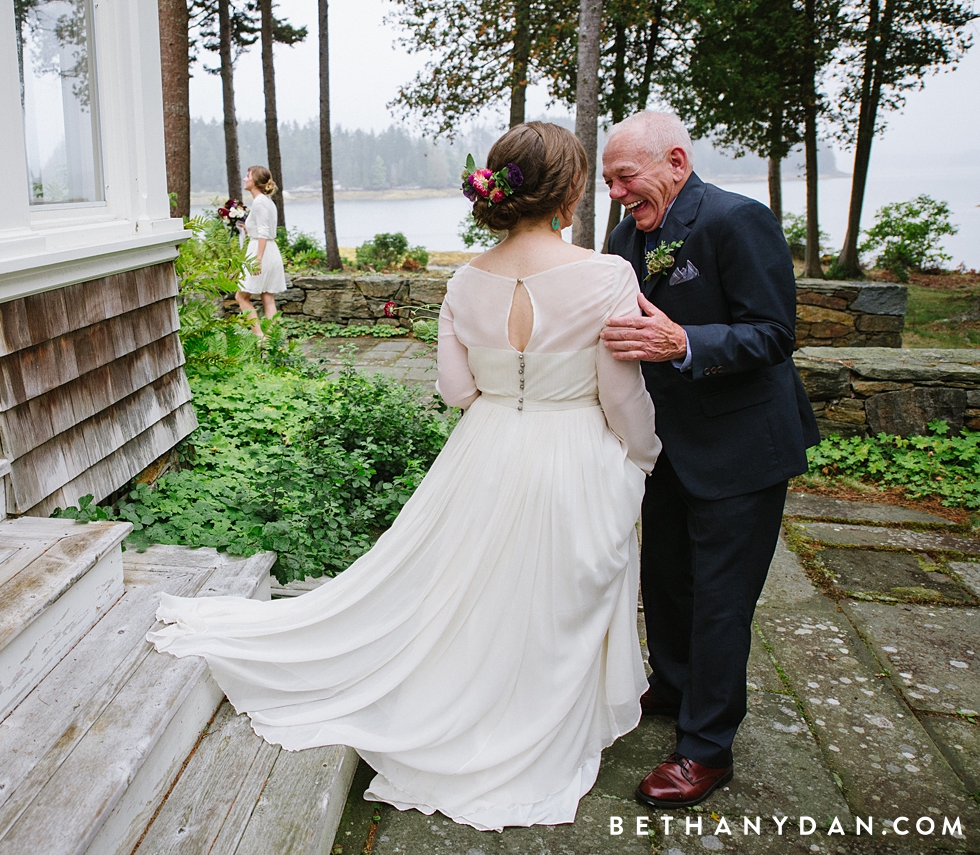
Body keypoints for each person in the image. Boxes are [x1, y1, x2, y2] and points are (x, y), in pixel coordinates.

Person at [148, 123, 662, 831]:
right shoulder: (606, 276)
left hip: (484, 448)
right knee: (550, 585)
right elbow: (622, 394)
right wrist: (642, 453)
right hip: (571, 446)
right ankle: (526, 707)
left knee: (473, 578)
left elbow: (456, 389)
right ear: (568, 192)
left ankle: (469, 689)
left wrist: (504, 397)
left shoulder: (465, 278)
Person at [600, 111, 820, 809]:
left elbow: (774, 333)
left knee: (721, 601)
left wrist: (685, 343)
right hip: (663, 444)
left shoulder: (737, 220)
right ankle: (672, 682)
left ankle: (706, 747)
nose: (616, 193)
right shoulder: (623, 233)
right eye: (608, 181)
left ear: (675, 161)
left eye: (625, 176)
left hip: (740, 447)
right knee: (664, 578)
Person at [236, 165, 287, 337]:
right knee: (268, 298)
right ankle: (273, 339)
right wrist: (247, 228)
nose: (245, 179)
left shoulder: (259, 202)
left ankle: (260, 337)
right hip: (270, 250)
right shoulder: (267, 202)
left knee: (241, 297)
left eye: (247, 175)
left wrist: (257, 259)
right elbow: (264, 229)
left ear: (255, 181)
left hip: (260, 253)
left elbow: (264, 231)